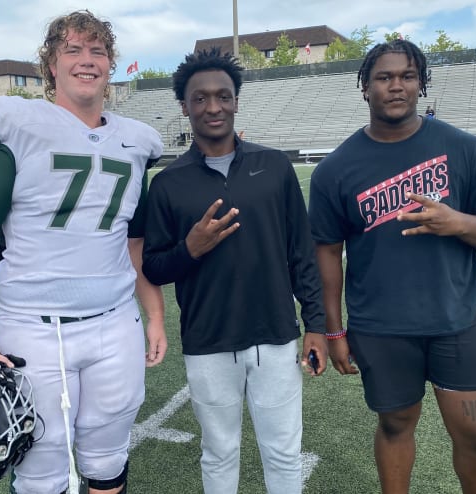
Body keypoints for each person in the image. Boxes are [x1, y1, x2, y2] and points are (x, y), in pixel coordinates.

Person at [0, 10, 167, 494]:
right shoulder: (15, 127)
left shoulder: (134, 142)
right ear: (51, 64)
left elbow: (133, 241)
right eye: (73, 50)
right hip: (33, 329)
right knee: (39, 470)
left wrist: (153, 313)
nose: (86, 61)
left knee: (108, 457)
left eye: (97, 51)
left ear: (110, 65)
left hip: (114, 322)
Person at [308, 39, 476, 494]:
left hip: (461, 318)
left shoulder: (466, 149)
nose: (396, 86)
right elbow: (326, 250)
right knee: (396, 425)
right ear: (365, 88)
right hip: (382, 325)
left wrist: (455, 221)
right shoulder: (334, 170)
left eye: (406, 76)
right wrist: (333, 329)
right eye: (383, 77)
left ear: (421, 84)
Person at [142, 48, 328, 494]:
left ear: (236, 101)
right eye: (200, 98)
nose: (213, 107)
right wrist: (191, 247)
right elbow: (153, 266)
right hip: (208, 341)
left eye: (222, 96)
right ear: (184, 107)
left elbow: (301, 252)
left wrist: (316, 325)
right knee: (219, 451)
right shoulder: (167, 184)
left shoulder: (275, 167)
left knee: (283, 452)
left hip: (276, 335)